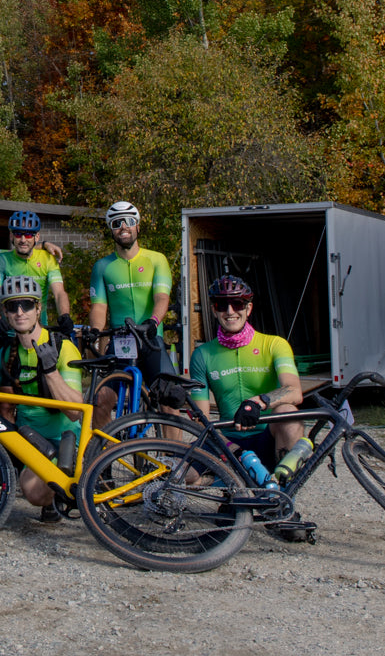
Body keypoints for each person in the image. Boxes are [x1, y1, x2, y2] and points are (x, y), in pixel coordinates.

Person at [0, 274, 82, 528]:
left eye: (27, 305)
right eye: (12, 306)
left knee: (33, 492)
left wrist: (51, 371)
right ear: (6, 313)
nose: (20, 312)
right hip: (26, 439)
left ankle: (56, 496)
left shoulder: (62, 347)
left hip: (61, 440)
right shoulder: (8, 351)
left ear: (38, 309)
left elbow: (75, 412)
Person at [188, 274, 310, 480]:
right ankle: (223, 486)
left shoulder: (274, 345)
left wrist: (259, 402)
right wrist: (232, 449)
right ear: (213, 310)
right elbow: (202, 420)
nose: (230, 311)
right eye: (221, 305)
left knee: (289, 413)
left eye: (237, 304)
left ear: (248, 308)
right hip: (227, 442)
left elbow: (294, 391)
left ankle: (283, 494)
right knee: (182, 475)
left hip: (266, 437)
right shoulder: (202, 355)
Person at [87, 200, 176, 425]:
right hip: (120, 342)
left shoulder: (156, 260)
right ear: (111, 230)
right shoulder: (102, 266)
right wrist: (95, 333)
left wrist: (153, 322)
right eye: (117, 223)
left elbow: (162, 297)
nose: (123, 227)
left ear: (137, 226)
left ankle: (174, 459)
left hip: (150, 338)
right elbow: (99, 306)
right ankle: (104, 456)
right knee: (100, 399)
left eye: (129, 221)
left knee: (170, 399)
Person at [0, 210, 71, 340]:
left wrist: (64, 315)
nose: (23, 240)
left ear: (37, 237)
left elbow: (59, 292)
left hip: (39, 330)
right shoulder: (2, 260)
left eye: (29, 235)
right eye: (18, 234)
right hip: (9, 332)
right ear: (11, 236)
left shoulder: (48, 259)